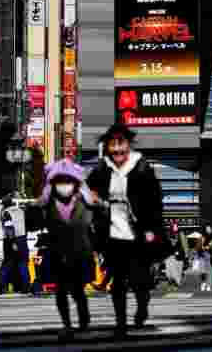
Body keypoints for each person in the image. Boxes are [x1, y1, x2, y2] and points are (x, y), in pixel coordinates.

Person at [86, 123, 166, 339]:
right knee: (118, 282)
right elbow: (89, 189)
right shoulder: (102, 168)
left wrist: (152, 228)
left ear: (128, 145)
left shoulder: (140, 166)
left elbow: (155, 200)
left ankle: (142, 306)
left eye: (121, 144)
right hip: (112, 233)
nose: (117, 149)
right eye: (112, 144)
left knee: (139, 280)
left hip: (137, 233)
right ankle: (120, 323)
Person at [28, 160, 95, 342]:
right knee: (60, 292)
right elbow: (37, 221)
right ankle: (67, 323)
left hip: (80, 253)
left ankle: (83, 320)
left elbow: (93, 222)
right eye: (59, 181)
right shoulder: (48, 203)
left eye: (67, 181)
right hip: (58, 253)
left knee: (77, 291)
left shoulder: (85, 203)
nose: (63, 185)